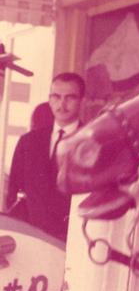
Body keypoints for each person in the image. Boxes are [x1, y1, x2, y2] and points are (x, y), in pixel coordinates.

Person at [6, 72, 85, 241]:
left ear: (82, 101)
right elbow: (13, 192)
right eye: (56, 97)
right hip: (31, 236)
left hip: (72, 239)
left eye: (70, 97)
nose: (62, 104)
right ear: (49, 99)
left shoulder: (92, 142)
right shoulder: (28, 142)